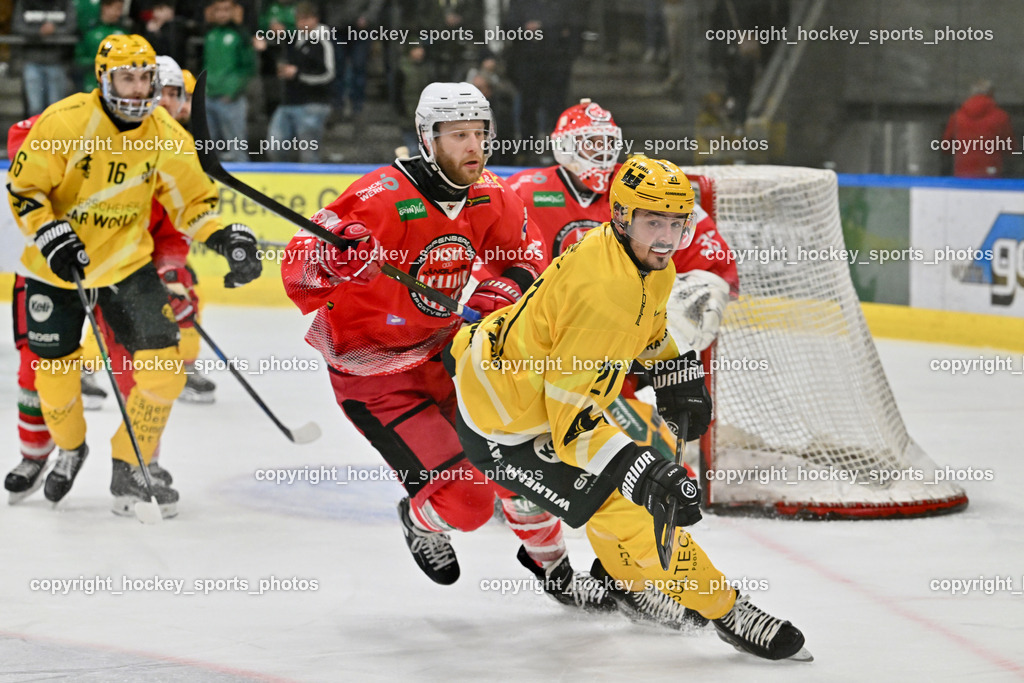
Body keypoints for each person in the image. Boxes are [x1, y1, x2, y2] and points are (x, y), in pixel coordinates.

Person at [449, 155, 810, 661]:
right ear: (620, 216)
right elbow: (571, 426)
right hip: (507, 427)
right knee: (631, 506)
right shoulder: (602, 293)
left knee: (614, 502)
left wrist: (674, 370)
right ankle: (727, 611)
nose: (665, 237)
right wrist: (641, 469)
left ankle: (626, 582)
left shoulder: (645, 263)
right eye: (652, 221)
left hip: (521, 384)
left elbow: (647, 326)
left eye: (675, 223)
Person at [281, 82, 614, 611]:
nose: (474, 148)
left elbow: (521, 257)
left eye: (480, 134)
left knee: (518, 458)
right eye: (458, 135)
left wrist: (505, 287)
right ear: (426, 138)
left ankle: (552, 567)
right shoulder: (381, 195)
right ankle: (420, 521)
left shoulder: (490, 193)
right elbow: (298, 263)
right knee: (469, 501)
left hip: (448, 353)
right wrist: (332, 258)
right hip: (377, 375)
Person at [4, 34, 262, 516]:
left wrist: (228, 237)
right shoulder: (65, 122)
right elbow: (23, 189)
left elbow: (194, 204)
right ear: (104, 79)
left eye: (146, 78)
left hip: (126, 268)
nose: (139, 88)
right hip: (55, 271)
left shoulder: (164, 132)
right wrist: (50, 232)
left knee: (165, 368)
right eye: (129, 77)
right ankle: (71, 447)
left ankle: (131, 463)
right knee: (54, 380)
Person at [504, 102, 739, 629]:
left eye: (605, 144)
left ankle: (624, 577)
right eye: (587, 144)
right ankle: (553, 567)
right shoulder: (520, 191)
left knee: (640, 467)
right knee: (518, 478)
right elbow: (488, 255)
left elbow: (710, 265)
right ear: (562, 146)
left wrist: (676, 335)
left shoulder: (647, 191)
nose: (599, 155)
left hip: (612, 374)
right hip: (536, 370)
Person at [266, 2, 334, 163]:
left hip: (312, 104)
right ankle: (283, 182)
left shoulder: (323, 41)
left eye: (306, 19)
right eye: (299, 20)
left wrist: (298, 74)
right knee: (274, 148)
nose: (302, 24)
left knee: (309, 154)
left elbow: (328, 74)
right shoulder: (293, 39)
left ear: (315, 19)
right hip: (288, 102)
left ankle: (312, 185)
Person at [203, 0, 255, 162]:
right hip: (208, 96)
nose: (222, 14)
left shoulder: (241, 35)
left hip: (231, 99)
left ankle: (242, 183)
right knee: (207, 149)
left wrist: (233, 91)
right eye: (218, 10)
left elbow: (249, 67)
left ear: (233, 12)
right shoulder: (210, 34)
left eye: (226, 10)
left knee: (237, 147)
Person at [942, 79, 1016, 178]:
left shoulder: (956, 116)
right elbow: (1010, 148)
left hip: (963, 172)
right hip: (991, 172)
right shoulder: (1001, 116)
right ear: (991, 94)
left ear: (971, 94)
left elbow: (946, 147)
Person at [12, 0, 76, 115]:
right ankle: (37, 133)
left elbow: (72, 26)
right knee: (35, 108)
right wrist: (38, 32)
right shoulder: (24, 2)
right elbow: (17, 26)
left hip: (57, 60)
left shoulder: (64, 2)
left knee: (56, 108)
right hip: (32, 60)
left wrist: (54, 30)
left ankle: (55, 133)